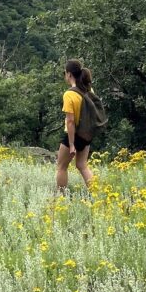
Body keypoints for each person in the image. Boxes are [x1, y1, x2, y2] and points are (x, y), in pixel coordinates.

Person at [56, 59, 95, 192]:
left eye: (65, 73)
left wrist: (72, 144)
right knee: (82, 165)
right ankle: (98, 193)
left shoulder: (69, 94)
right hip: (86, 134)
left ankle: (61, 198)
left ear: (69, 75)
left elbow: (70, 121)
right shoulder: (89, 90)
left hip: (73, 136)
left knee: (61, 167)